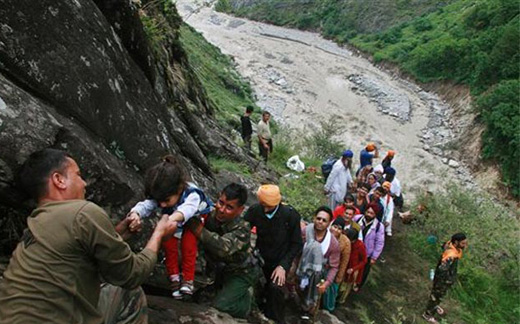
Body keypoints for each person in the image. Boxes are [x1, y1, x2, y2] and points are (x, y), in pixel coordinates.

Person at [0, 149, 178, 324]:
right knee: (130, 293)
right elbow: (132, 274)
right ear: (59, 180)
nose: (84, 183)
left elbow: (77, 254)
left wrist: (120, 234)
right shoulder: (82, 212)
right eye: (78, 175)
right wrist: (159, 235)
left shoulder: (35, 224)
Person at [128, 155, 213, 298]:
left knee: (189, 243)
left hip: (194, 217)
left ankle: (188, 279)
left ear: (179, 188)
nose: (161, 204)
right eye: (160, 201)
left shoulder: (192, 194)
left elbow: (188, 210)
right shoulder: (164, 194)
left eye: (166, 200)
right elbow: (147, 205)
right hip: (174, 217)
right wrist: (135, 213)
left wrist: (170, 220)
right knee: (168, 243)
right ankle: (173, 277)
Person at [184, 183, 261, 319]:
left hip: (240, 272)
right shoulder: (209, 213)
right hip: (218, 269)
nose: (222, 209)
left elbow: (222, 248)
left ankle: (247, 301)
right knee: (197, 298)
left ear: (240, 210)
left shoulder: (242, 228)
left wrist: (198, 230)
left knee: (220, 306)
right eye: (221, 202)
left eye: (229, 207)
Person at [244, 184, 303, 323]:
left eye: (268, 206)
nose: (265, 209)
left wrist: (283, 266)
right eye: (262, 205)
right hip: (261, 256)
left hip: (281, 259)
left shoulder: (290, 215)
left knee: (275, 288)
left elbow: (296, 244)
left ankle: (276, 319)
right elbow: (242, 230)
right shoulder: (255, 211)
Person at [296, 206, 340, 319]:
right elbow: (295, 247)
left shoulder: (332, 244)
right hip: (300, 268)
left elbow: (334, 266)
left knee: (310, 299)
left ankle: (306, 311)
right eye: (318, 218)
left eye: (324, 220)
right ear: (314, 218)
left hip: (317, 275)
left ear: (329, 223)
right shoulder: (306, 231)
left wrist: (326, 283)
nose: (320, 222)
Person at [423, 233, 468, 324]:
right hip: (442, 281)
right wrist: (443, 282)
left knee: (438, 296)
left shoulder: (450, 245)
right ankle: (428, 314)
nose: (465, 245)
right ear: (456, 242)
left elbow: (443, 246)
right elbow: (442, 270)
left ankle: (435, 306)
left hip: (445, 279)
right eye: (463, 243)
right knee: (436, 296)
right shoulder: (451, 256)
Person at [353, 202, 385, 288]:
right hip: (354, 250)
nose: (369, 214)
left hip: (367, 253)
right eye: (368, 212)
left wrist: (374, 257)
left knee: (364, 270)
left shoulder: (379, 226)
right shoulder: (357, 219)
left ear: (375, 215)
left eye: (372, 213)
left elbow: (379, 242)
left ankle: (358, 285)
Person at [337, 228, 367, 303]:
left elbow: (364, 260)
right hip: (343, 266)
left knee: (347, 286)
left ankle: (341, 300)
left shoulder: (360, 246)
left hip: (351, 270)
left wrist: (353, 269)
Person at [329, 218, 351, 309]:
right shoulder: (323, 234)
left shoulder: (345, 242)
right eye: (334, 227)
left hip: (333, 270)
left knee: (329, 293)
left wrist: (339, 276)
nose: (336, 230)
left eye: (339, 229)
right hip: (319, 267)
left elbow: (344, 261)